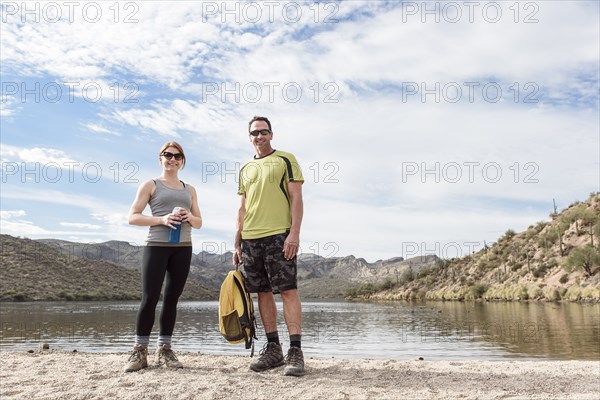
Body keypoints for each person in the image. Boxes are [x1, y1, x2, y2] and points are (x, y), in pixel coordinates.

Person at [233, 116, 305, 376]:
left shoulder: (286, 159)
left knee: (287, 290)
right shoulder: (244, 169)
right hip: (251, 238)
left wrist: (293, 234)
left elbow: (296, 197)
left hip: (279, 235)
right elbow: (242, 208)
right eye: (254, 133)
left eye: (264, 132)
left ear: (271, 135)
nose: (259, 136)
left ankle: (295, 351)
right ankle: (274, 349)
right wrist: (237, 242)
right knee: (262, 292)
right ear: (249, 137)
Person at [124, 141, 202, 372]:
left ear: (182, 161)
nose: (173, 159)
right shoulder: (151, 185)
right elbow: (133, 217)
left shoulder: (190, 189)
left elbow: (199, 223)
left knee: (171, 299)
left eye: (177, 156)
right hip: (156, 246)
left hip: (183, 247)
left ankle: (164, 349)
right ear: (160, 158)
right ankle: (139, 352)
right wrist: (162, 219)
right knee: (150, 297)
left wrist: (189, 216)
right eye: (168, 155)